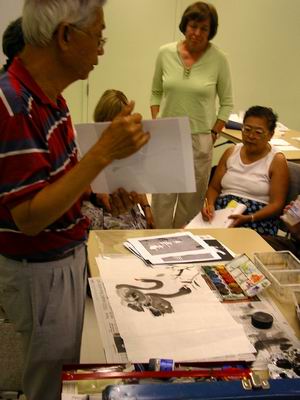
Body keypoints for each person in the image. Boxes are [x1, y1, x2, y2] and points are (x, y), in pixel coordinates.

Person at [0, 1, 150, 400]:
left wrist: (98, 196)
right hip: (40, 268)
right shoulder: (14, 105)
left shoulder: (52, 98)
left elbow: (60, 182)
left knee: (64, 367)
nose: (102, 49)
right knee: (49, 383)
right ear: (65, 36)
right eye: (98, 36)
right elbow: (30, 217)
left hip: (63, 257)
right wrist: (102, 153)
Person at [150, 1, 233, 228]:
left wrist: (214, 133)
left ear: (211, 31)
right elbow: (156, 92)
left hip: (200, 139)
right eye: (192, 26)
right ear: (185, 25)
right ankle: (155, 246)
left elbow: (226, 103)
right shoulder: (165, 53)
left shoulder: (219, 59)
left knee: (191, 201)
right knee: (162, 199)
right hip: (166, 136)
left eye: (204, 28)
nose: (196, 33)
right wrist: (157, 120)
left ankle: (180, 250)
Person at [202, 106, 289, 236]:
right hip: (223, 213)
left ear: (270, 135)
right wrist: (210, 206)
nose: (251, 136)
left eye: (258, 132)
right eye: (247, 130)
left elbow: (277, 205)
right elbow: (214, 188)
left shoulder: (276, 160)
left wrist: (250, 217)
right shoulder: (231, 152)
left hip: (257, 219)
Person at [82, 89, 155, 229]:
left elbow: (136, 181)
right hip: (101, 210)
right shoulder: (87, 145)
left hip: (127, 208)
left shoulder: (127, 144)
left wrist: (147, 209)